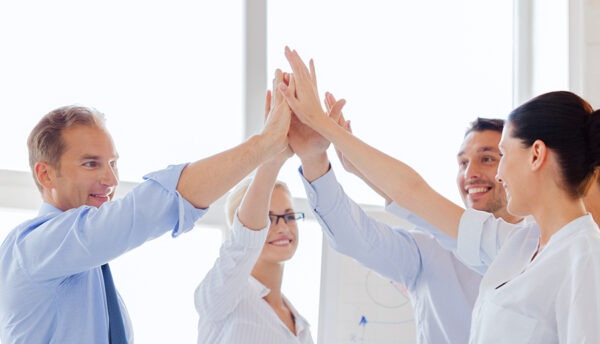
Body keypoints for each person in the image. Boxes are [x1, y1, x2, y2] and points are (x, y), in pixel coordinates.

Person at [280, 46, 600, 343]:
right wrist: (328, 137)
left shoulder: (585, 259)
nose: (499, 173)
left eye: (500, 155)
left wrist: (324, 124)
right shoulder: (520, 244)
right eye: (463, 162)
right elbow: (414, 192)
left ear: (536, 154)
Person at [0, 77, 291, 344]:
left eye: (112, 164)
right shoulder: (33, 247)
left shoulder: (90, 270)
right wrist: (265, 145)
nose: (110, 180)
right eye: (91, 164)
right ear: (45, 174)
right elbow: (147, 209)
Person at [287, 84, 521, 343]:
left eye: (487, 159)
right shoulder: (427, 251)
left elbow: (412, 193)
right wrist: (314, 159)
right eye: (463, 163)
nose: (470, 174)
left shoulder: (538, 245)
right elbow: (351, 234)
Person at [194, 80, 314, 344]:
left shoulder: (301, 325)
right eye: (268, 219)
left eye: (289, 215)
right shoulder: (223, 297)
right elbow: (243, 241)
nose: (282, 226)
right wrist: (271, 161)